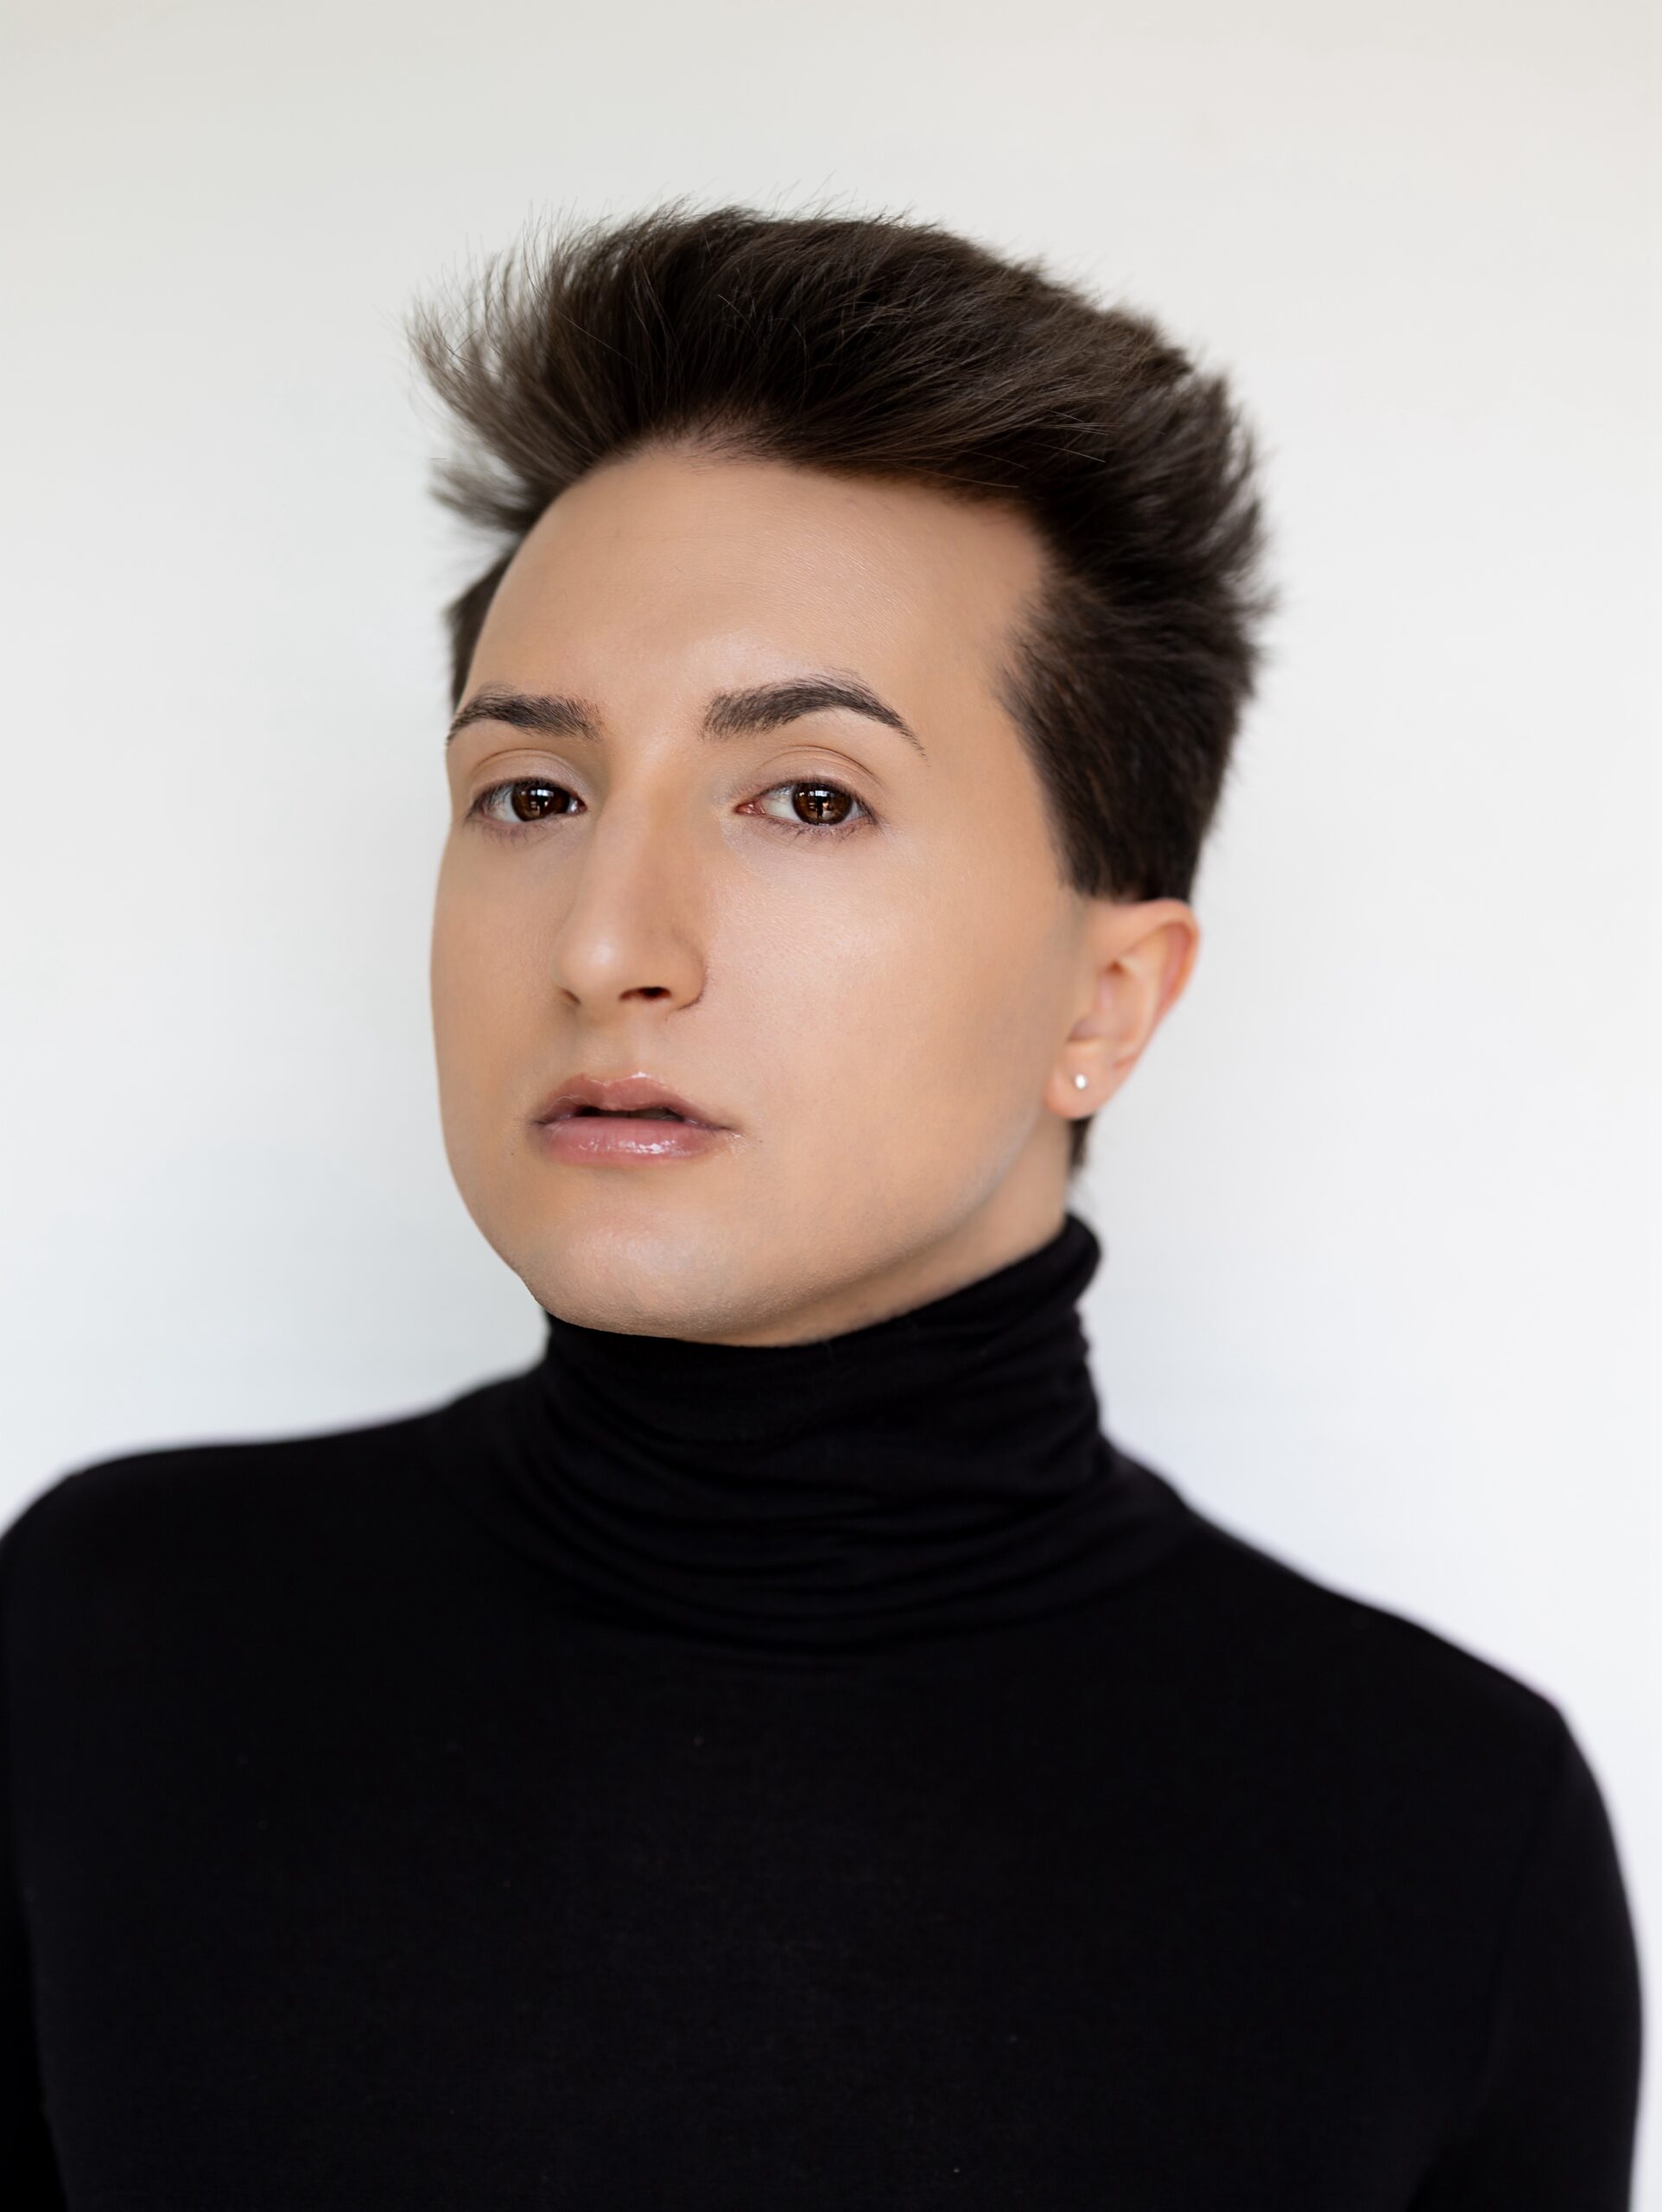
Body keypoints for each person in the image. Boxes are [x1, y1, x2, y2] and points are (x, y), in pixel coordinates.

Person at [0, 200, 1641, 2207]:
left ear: (1104, 1002)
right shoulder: (114, 1634)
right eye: (531, 793)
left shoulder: (1438, 1833)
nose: (606, 942)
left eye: (807, 796)